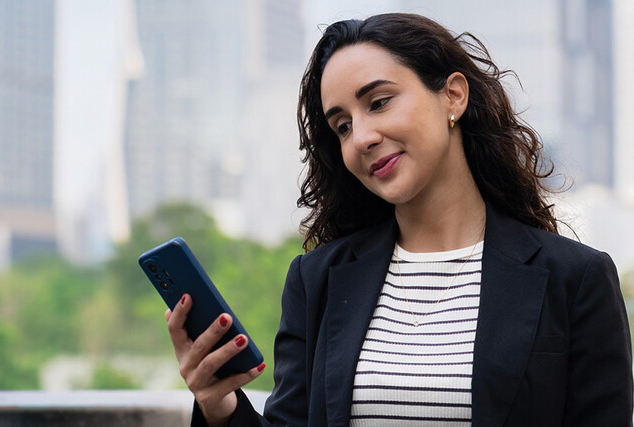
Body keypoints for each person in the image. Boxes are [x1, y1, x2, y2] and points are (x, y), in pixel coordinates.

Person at [165, 13, 633, 426]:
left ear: (453, 96)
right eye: (342, 126)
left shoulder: (575, 279)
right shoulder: (317, 280)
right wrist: (219, 406)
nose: (361, 138)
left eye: (379, 102)